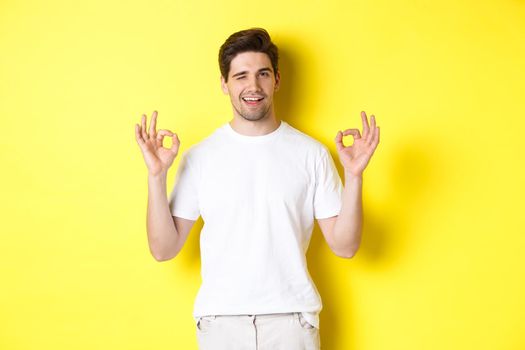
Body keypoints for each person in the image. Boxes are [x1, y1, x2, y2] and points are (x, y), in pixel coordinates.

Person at [134, 27, 380, 350]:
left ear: (277, 79)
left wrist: (354, 176)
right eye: (241, 76)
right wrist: (156, 176)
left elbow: (345, 246)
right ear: (224, 84)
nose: (253, 86)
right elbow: (163, 249)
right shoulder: (200, 157)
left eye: (263, 74)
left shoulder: (311, 154)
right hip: (221, 324)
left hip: (291, 323)